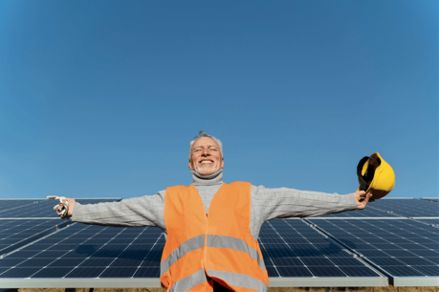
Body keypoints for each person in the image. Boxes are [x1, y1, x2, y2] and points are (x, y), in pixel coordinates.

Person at [52, 131, 372, 292]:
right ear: (190, 163)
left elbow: (298, 200)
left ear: (222, 161)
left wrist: (347, 200)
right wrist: (76, 210)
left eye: (212, 149)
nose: (205, 153)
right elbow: (121, 210)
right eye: (198, 151)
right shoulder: (170, 198)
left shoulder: (249, 194)